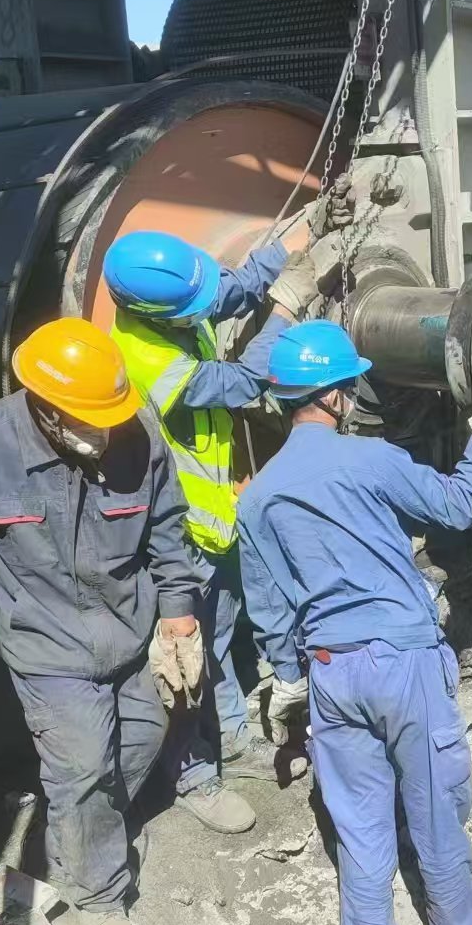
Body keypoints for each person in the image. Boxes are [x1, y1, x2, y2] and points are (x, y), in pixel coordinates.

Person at [236, 320, 472, 925]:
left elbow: (270, 608)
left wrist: (289, 678)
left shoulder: (258, 496)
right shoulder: (370, 459)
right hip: (403, 662)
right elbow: (457, 506)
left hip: (331, 674)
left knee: (360, 825)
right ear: (335, 395)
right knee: (434, 806)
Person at [0, 318, 215, 925]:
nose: (104, 434)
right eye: (89, 421)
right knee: (84, 767)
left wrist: (178, 613)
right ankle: (98, 895)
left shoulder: (137, 433)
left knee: (140, 738)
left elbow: (169, 528)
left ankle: (78, 834)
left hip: (129, 628)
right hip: (46, 642)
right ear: (46, 408)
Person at [104, 203, 342, 803]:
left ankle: (237, 719)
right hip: (182, 526)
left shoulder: (169, 302)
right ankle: (208, 759)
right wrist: (285, 310)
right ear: (154, 313)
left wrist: (294, 242)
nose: (204, 309)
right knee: (196, 643)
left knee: (233, 618)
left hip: (222, 513)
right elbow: (238, 383)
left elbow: (229, 292)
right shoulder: (146, 358)